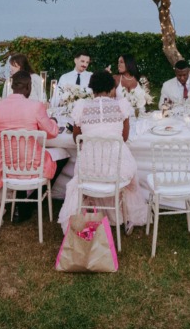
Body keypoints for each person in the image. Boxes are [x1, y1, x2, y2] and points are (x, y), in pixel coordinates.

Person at [58, 70, 149, 228]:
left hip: (89, 169)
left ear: (92, 89)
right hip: (117, 169)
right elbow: (124, 137)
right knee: (128, 172)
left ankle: (87, 214)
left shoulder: (82, 107)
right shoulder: (121, 106)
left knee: (87, 172)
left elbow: (76, 138)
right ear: (112, 88)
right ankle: (126, 215)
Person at [0, 70, 62, 194]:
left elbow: (0, 134)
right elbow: (52, 133)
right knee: (62, 155)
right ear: (29, 86)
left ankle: (21, 203)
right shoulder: (36, 106)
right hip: (34, 165)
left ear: (12, 87)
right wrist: (53, 121)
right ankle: (32, 202)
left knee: (18, 157)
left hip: (7, 166)